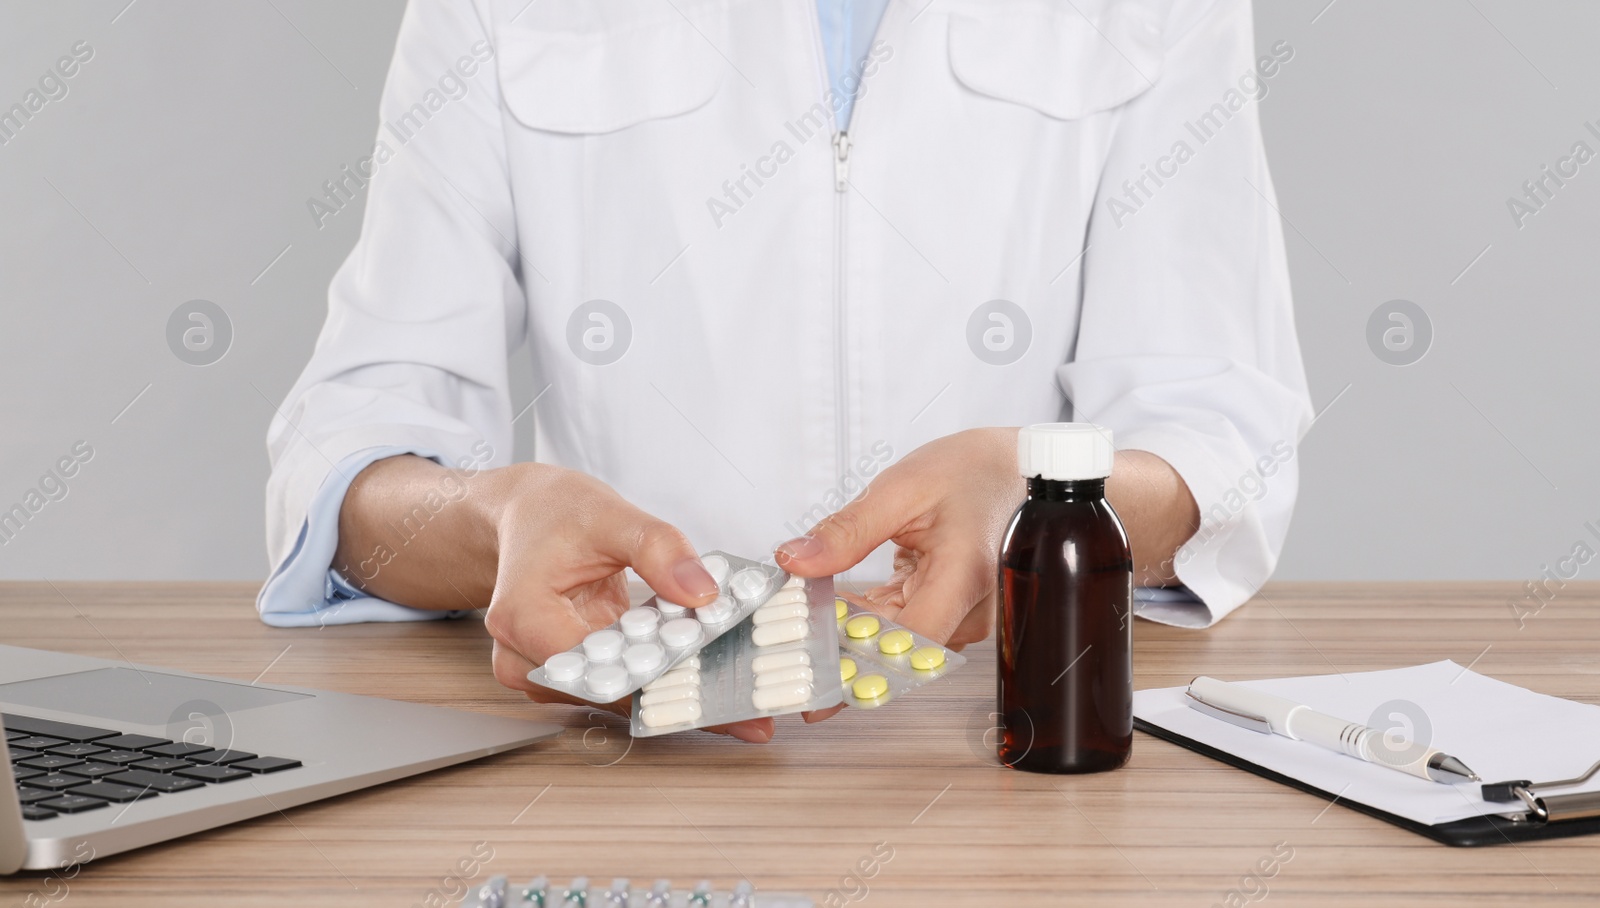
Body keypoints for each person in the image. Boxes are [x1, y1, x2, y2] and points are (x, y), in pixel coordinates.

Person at [260, 0, 1312, 743]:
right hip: (625, 751)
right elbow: (352, 444)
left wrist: (1039, 498)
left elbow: (1211, 429)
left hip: (989, 741)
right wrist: (491, 521)